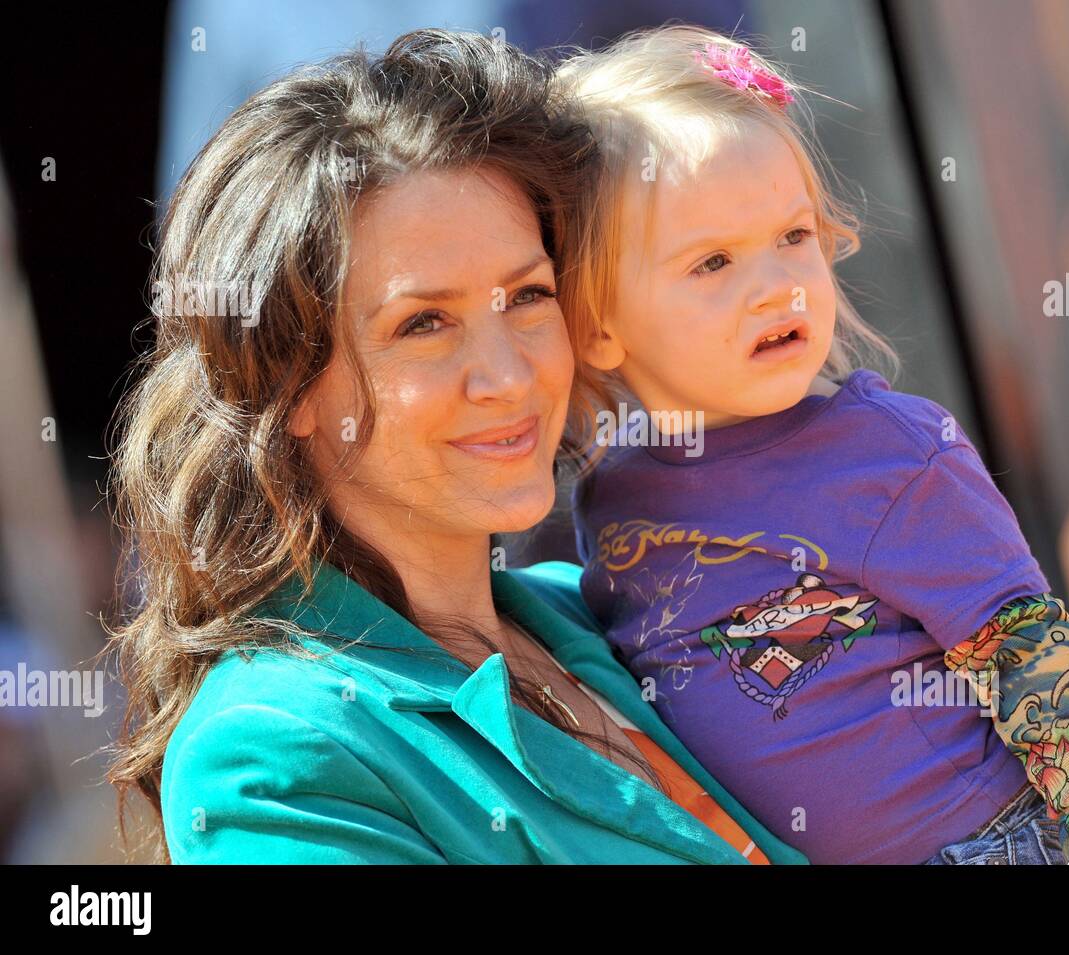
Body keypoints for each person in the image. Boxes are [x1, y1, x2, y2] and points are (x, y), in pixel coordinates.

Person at [100, 28, 806, 865]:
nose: (507, 376)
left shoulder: (608, 607)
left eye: (528, 296)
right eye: (423, 322)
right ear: (289, 385)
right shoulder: (275, 752)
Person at [553, 25, 1069, 864]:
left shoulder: (887, 453)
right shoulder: (609, 498)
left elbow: (1029, 650)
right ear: (599, 326)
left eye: (794, 236)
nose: (778, 286)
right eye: (714, 261)